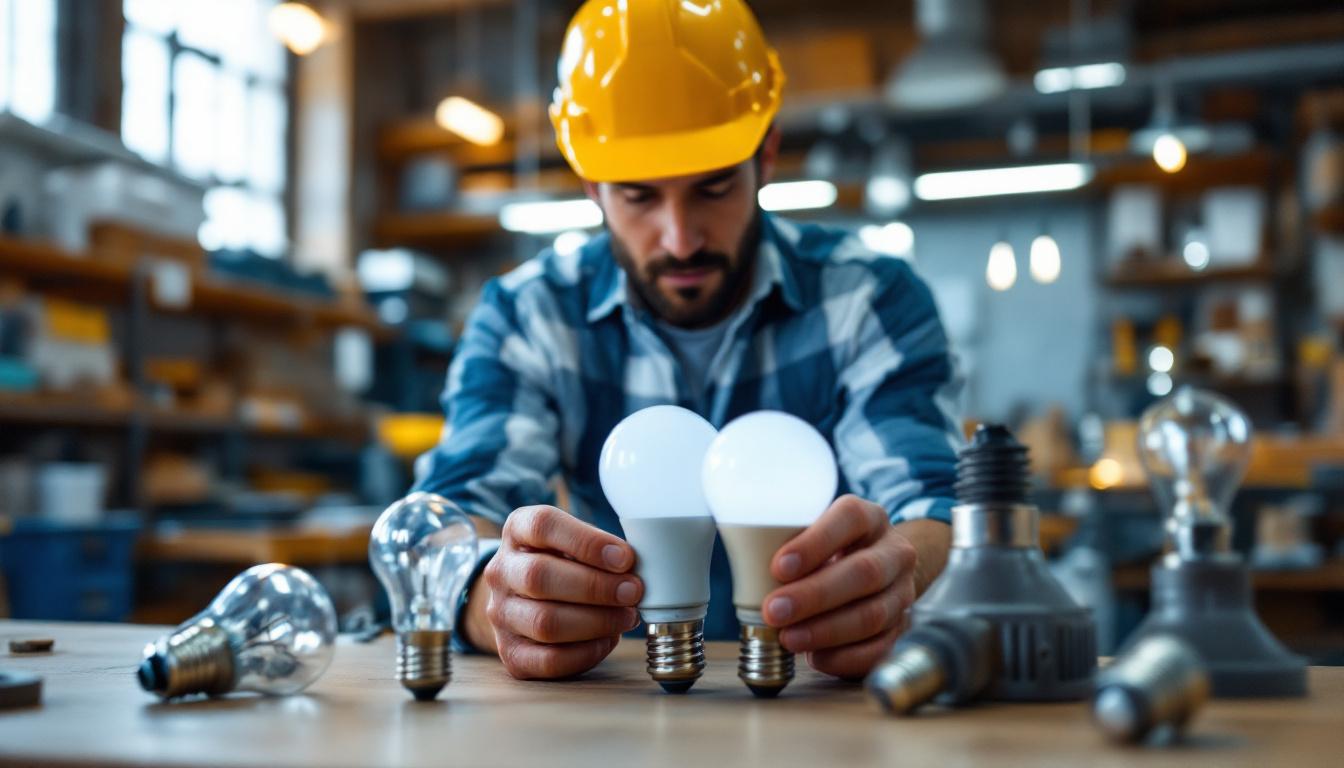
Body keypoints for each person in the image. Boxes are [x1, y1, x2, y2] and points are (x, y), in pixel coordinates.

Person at [414, 0, 963, 682]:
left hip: (825, 696)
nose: (680, 239)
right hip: (619, 701)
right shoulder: (529, 316)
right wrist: (488, 595)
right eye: (639, 196)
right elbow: (441, 524)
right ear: (592, 187)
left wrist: (899, 572)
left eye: (713, 187)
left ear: (766, 156)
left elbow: (934, 505)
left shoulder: (868, 300)